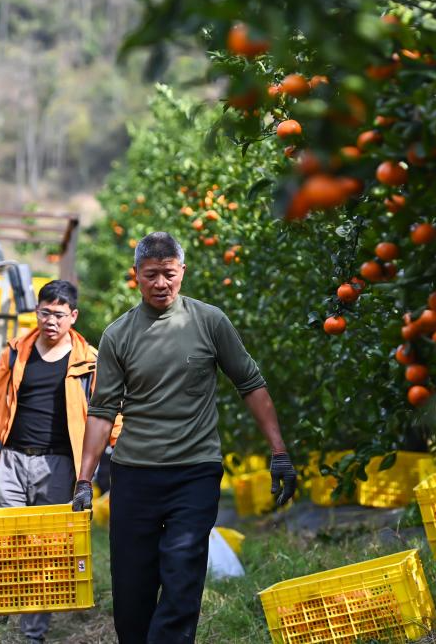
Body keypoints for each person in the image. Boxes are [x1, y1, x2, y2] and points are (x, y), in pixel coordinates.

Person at [71, 231, 298, 644]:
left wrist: (279, 452)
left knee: (182, 575)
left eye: (169, 274)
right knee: (132, 590)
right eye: (151, 275)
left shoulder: (209, 321)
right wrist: (84, 480)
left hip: (195, 472)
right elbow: (102, 411)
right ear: (136, 275)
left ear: (182, 272)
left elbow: (251, 383)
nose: (161, 283)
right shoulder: (118, 334)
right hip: (135, 474)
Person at [0, 279, 102, 644]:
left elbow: (107, 415)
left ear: (73, 316)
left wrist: (104, 466)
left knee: (43, 549)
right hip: (10, 460)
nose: (51, 321)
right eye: (45, 313)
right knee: (4, 540)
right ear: (37, 312)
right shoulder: (16, 352)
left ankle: (33, 632)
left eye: (59, 315)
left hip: (58, 465)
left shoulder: (89, 362)